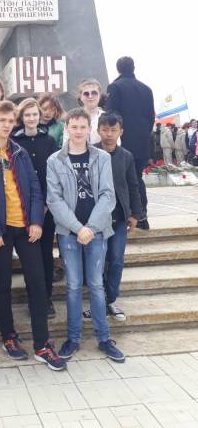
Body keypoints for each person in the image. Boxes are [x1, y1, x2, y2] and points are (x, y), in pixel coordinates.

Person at [0, 100, 65, 370]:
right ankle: (9, 337)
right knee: (2, 285)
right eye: (2, 121)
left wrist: (36, 221)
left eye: (11, 121)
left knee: (37, 283)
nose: (7, 125)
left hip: (25, 227)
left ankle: (42, 344)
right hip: (0, 231)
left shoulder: (20, 152)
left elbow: (35, 188)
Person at [46, 107, 125, 363]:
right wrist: (78, 228)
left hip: (97, 231)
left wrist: (90, 227)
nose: (78, 131)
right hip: (69, 232)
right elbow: (54, 200)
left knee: (96, 284)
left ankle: (104, 338)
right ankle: (73, 338)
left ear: (89, 129)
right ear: (66, 128)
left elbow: (108, 195)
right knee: (72, 285)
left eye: (83, 127)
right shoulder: (54, 161)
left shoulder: (102, 158)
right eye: (74, 126)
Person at [83, 112, 141, 322]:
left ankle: (111, 300)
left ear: (120, 131)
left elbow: (133, 186)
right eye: (105, 129)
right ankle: (97, 303)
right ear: (98, 130)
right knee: (96, 261)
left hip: (119, 218)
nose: (109, 134)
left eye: (113, 130)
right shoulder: (89, 153)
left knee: (116, 260)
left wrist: (135, 214)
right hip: (96, 219)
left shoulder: (126, 156)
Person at [13, 98, 58, 318]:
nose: (31, 118)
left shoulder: (48, 141)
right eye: (27, 115)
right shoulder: (14, 141)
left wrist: (47, 204)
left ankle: (46, 299)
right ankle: (34, 299)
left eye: (34, 114)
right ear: (21, 117)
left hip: (46, 209)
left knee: (45, 255)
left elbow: (54, 173)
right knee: (30, 258)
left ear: (40, 116)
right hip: (22, 209)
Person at [105, 56, 155, 230]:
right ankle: (142, 217)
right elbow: (151, 117)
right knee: (137, 178)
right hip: (142, 142)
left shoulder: (115, 87)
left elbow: (111, 116)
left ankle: (125, 216)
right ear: (134, 68)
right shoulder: (146, 89)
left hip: (123, 141)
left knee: (124, 179)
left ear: (118, 69)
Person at [76, 79, 105, 144]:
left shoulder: (108, 118)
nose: (90, 96)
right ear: (81, 97)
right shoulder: (72, 118)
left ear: (100, 95)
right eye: (86, 94)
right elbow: (66, 145)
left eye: (94, 93)